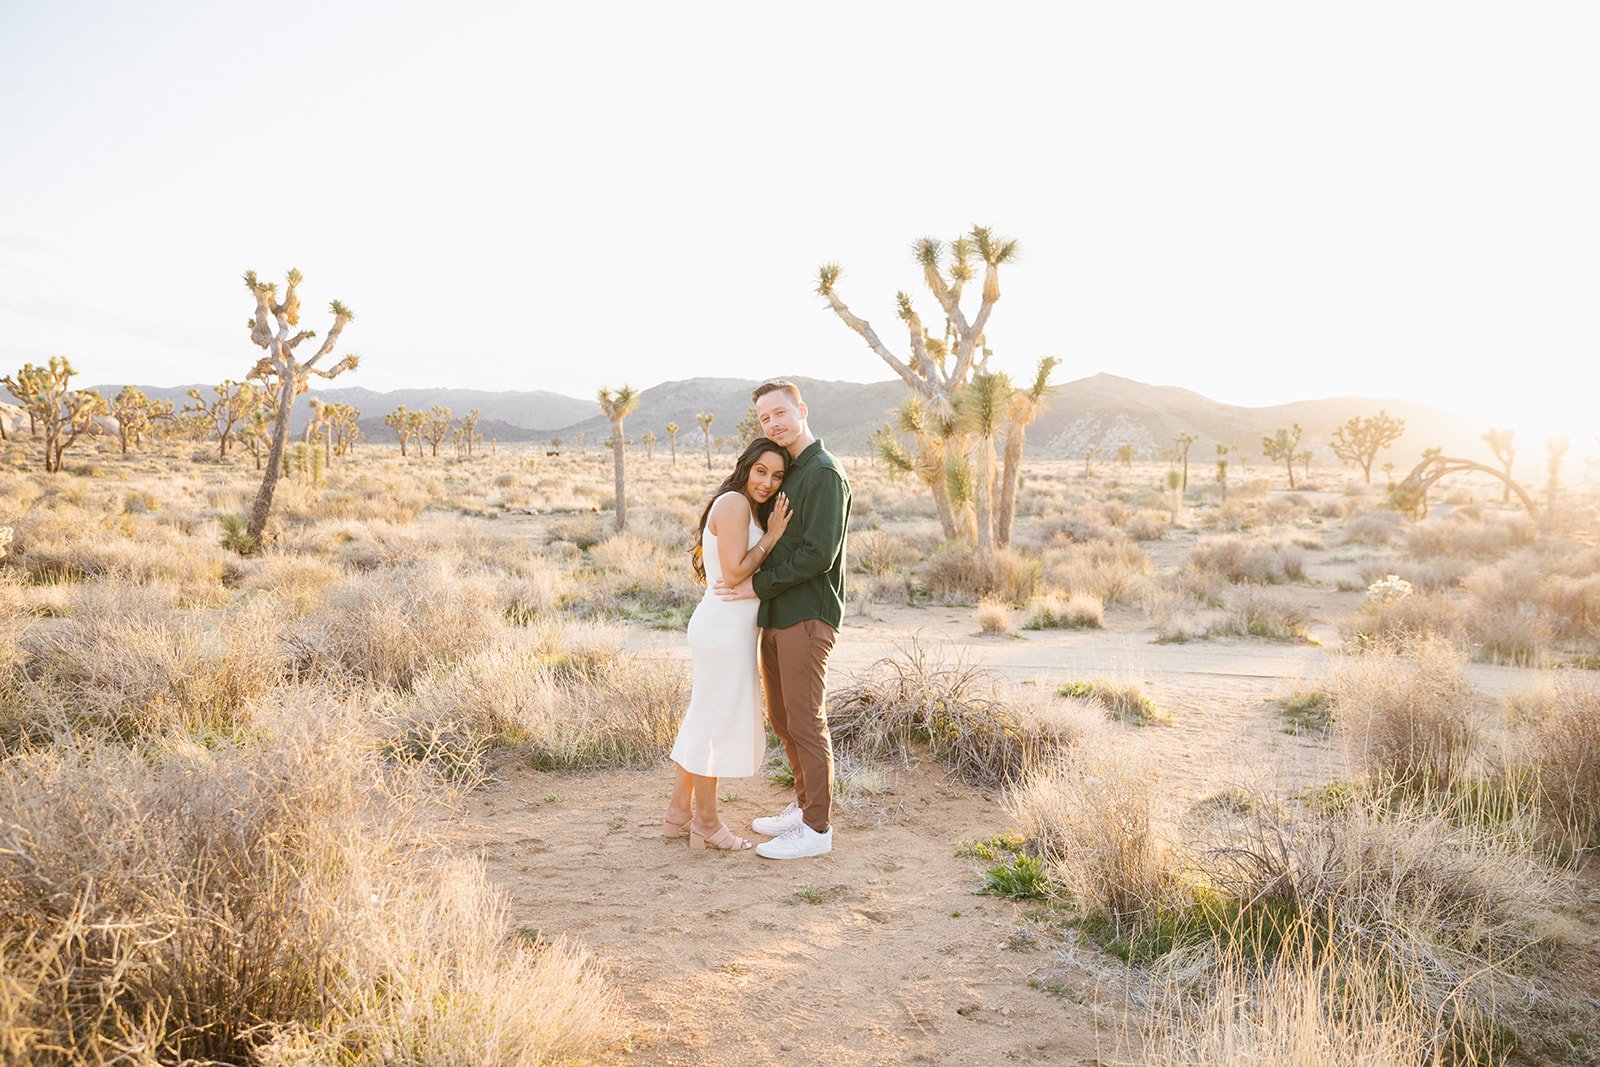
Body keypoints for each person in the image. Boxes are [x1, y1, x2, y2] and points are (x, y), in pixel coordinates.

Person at [716, 380, 850, 861]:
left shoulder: (824, 474)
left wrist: (757, 585)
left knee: (807, 721)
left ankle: (816, 830)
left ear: (801, 410)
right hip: (776, 616)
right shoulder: (792, 472)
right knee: (782, 718)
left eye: (779, 413)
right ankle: (803, 804)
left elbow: (818, 554)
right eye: (764, 418)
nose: (773, 424)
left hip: (806, 616)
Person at [663, 437, 792, 851]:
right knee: (713, 725)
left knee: (704, 718)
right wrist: (770, 538)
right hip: (722, 632)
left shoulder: (741, 504)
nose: (768, 482)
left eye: (777, 476)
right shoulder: (735, 503)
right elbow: (735, 573)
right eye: (761, 471)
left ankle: (678, 813)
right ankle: (707, 822)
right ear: (746, 466)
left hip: (727, 629)